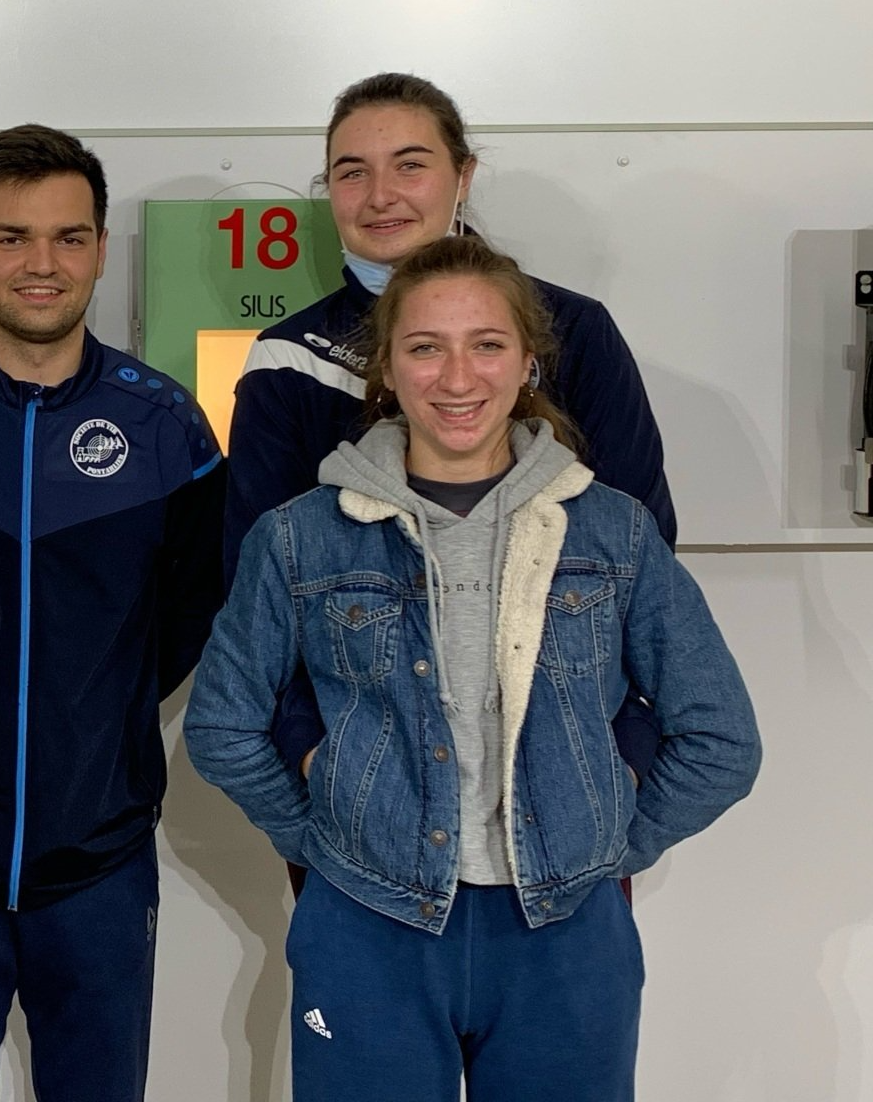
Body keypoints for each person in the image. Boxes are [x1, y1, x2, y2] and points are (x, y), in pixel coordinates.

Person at [185, 235, 760, 1100]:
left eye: (487, 344)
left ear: (528, 363)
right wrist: (322, 838)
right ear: (387, 368)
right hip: (365, 926)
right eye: (426, 347)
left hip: (566, 935)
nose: (458, 377)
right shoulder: (300, 536)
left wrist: (607, 843)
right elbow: (222, 726)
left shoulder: (614, 532)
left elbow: (721, 739)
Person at [225, 73, 676, 830]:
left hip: (557, 783)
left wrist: (620, 758)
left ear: (463, 175)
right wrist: (312, 756)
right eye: (352, 172)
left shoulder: (572, 332)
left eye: (410, 164)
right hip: (368, 791)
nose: (381, 196)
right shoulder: (289, 359)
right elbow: (255, 593)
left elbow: (645, 557)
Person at [0, 124, 223, 1102]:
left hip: (99, 863)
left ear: (101, 248)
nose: (42, 263)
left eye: (68, 237)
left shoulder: (165, 425)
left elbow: (190, 614)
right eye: (12, 237)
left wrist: (102, 727)